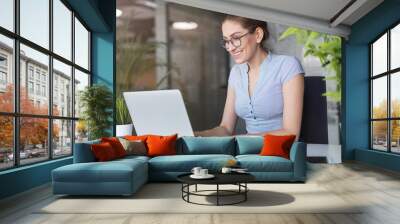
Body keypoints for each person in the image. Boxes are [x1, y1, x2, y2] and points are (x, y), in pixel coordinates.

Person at [195, 15, 304, 140]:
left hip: (281, 153)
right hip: (248, 153)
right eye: (226, 41)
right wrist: (196, 135)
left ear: (258, 34)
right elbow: (225, 128)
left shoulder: (287, 65)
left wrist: (241, 140)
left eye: (236, 38)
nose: (230, 47)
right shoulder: (236, 73)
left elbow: (291, 133)